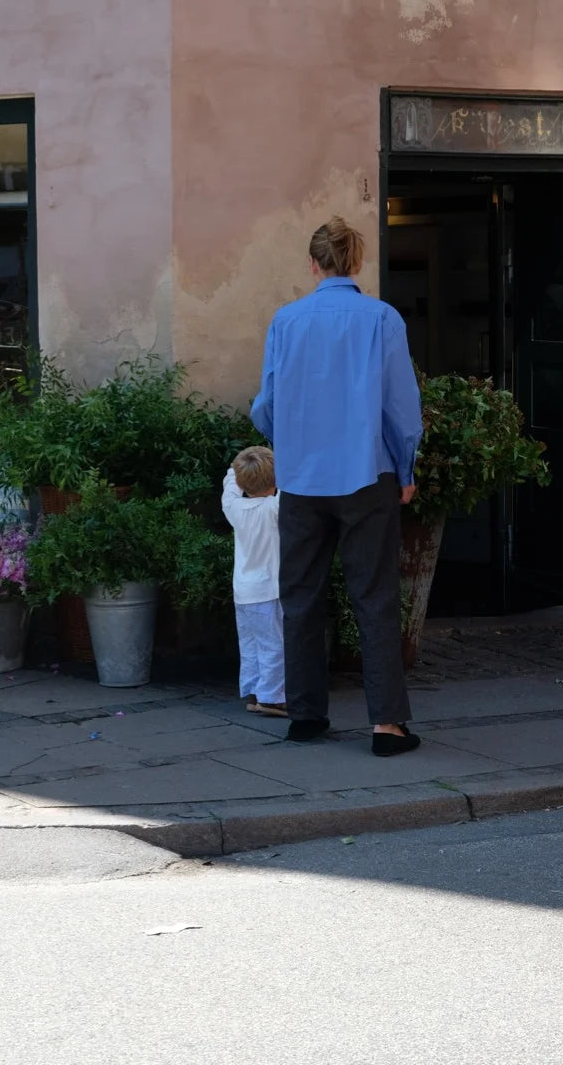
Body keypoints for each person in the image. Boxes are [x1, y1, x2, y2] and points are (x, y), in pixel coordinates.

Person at [251, 216, 423, 756]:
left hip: (302, 481)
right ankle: (387, 727)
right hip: (366, 476)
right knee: (374, 598)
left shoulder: (287, 321)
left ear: (313, 262)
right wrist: (407, 468)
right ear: (358, 261)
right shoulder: (381, 318)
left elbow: (266, 406)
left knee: (300, 596)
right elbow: (402, 409)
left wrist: (295, 444)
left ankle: (304, 715)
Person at [221, 446, 286, 717]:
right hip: (269, 590)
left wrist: (238, 470)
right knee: (274, 644)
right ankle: (272, 698)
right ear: (275, 481)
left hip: (243, 591)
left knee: (250, 644)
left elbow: (229, 482)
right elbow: (292, 487)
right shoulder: (274, 508)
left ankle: (255, 691)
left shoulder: (234, 508)